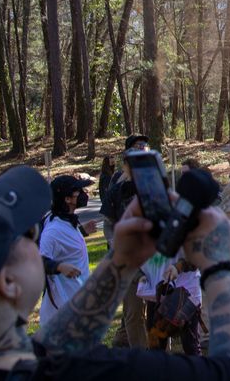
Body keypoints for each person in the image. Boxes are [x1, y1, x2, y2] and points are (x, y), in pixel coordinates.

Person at [0, 165, 230, 380]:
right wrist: (219, 264)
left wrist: (121, 263)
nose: (36, 236)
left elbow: (50, 349)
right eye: (29, 234)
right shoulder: (98, 373)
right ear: (7, 282)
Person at [101, 133, 150, 349]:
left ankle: (158, 354)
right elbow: (109, 223)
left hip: (154, 257)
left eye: (145, 149)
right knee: (133, 312)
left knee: (156, 311)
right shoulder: (117, 188)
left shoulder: (157, 184)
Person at [38, 174, 95, 325]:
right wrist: (59, 267)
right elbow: (38, 261)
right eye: (78, 191)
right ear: (67, 199)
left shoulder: (66, 222)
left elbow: (66, 247)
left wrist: (82, 232)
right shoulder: (53, 231)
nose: (84, 194)